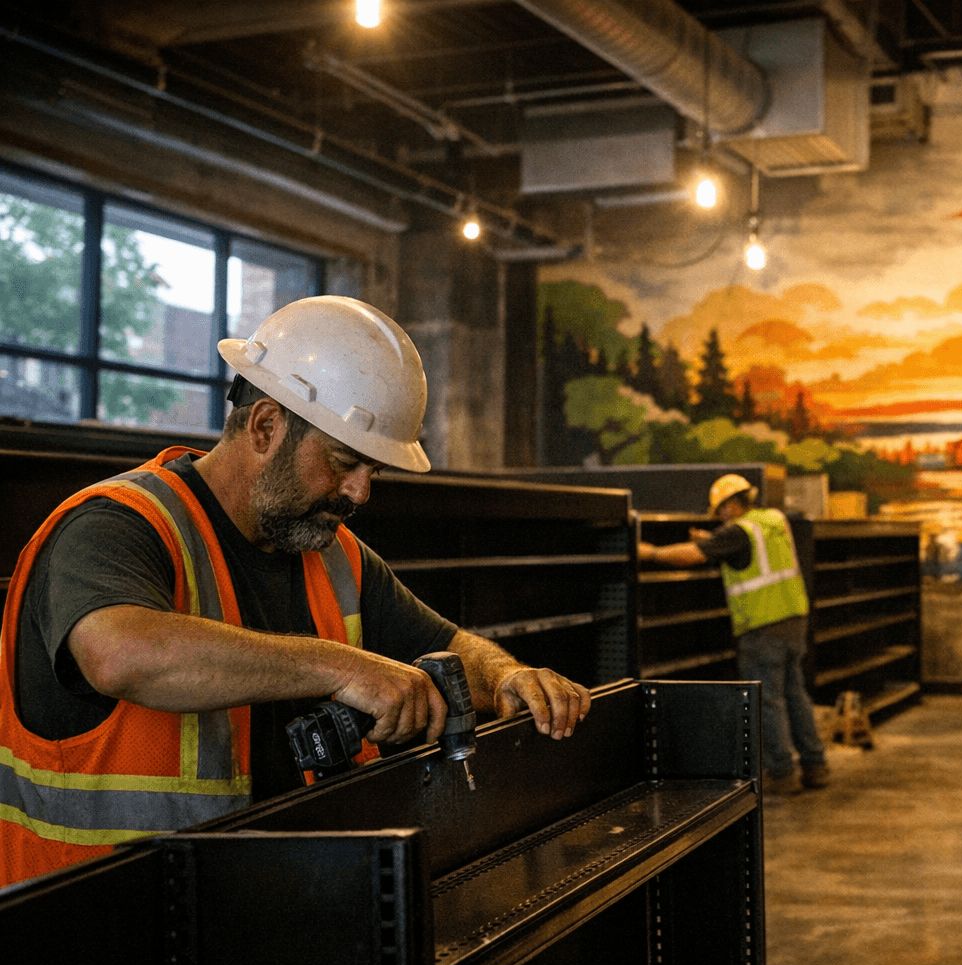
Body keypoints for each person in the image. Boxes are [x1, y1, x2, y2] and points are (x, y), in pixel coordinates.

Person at [0, 295, 591, 886]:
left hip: (263, 907)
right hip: (96, 923)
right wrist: (343, 668)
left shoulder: (334, 557)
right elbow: (119, 654)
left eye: (373, 471)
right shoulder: (116, 525)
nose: (360, 493)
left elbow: (446, 644)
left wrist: (509, 677)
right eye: (343, 462)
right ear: (265, 426)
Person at [637, 474, 828, 796]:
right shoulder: (772, 519)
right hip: (794, 618)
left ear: (729, 506)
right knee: (795, 692)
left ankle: (781, 772)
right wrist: (715, 538)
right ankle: (815, 765)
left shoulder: (738, 532)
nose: (720, 517)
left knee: (767, 700)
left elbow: (693, 555)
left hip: (762, 625)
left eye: (720, 511)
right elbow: (747, 548)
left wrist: (650, 553)